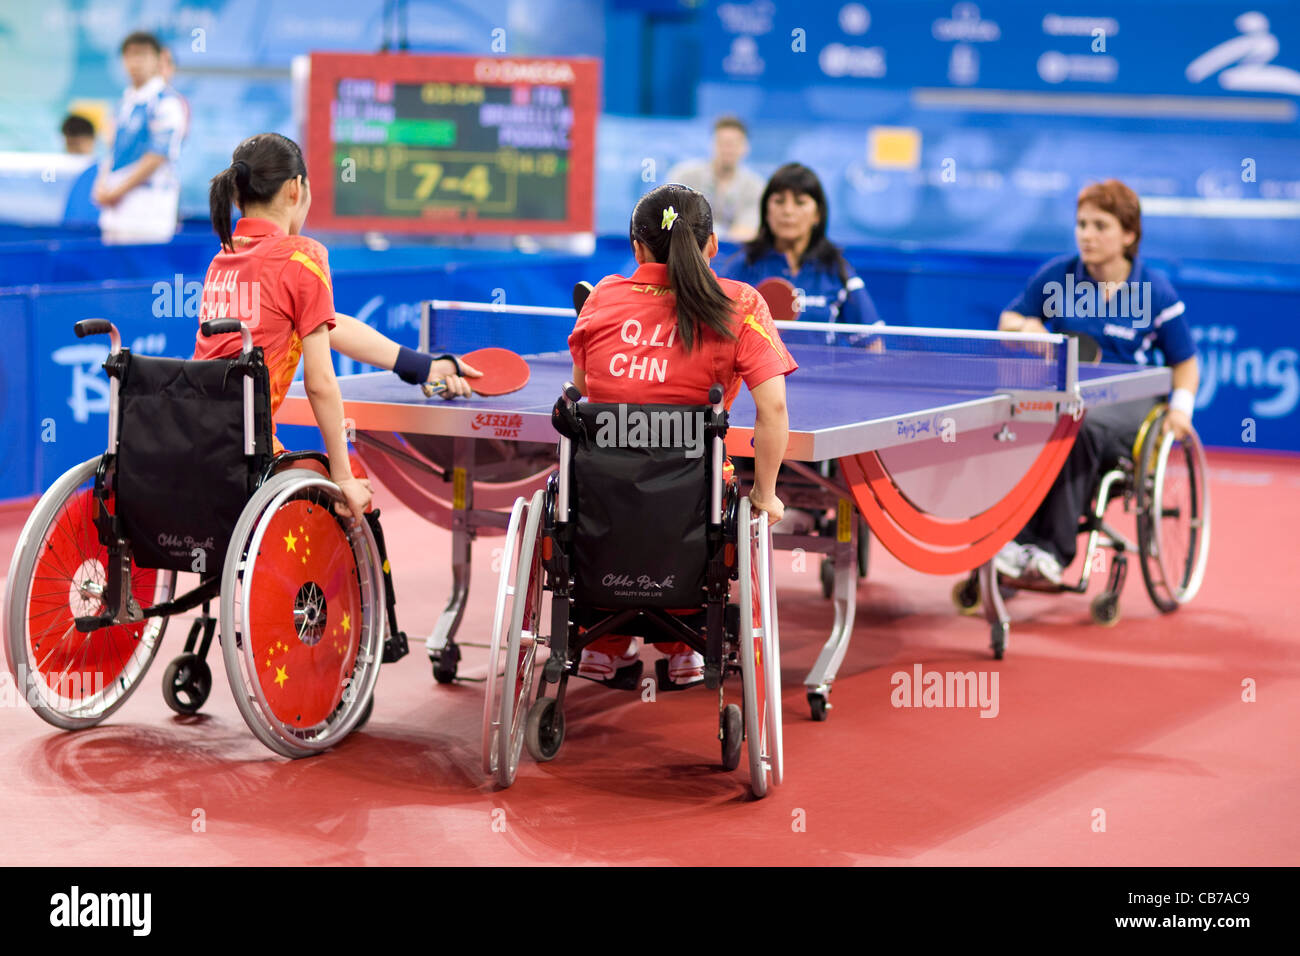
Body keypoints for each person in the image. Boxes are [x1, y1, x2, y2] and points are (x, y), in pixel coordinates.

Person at [569, 183, 796, 684]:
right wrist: (766, 495)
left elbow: (583, 389)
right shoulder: (740, 304)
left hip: (601, 498)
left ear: (637, 247)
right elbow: (774, 407)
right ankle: (684, 645)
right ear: (711, 245)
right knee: (705, 495)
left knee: (602, 487)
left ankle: (602, 641)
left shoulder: (602, 297)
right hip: (694, 499)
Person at [194, 132, 480, 518]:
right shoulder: (302, 256)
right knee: (352, 489)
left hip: (194, 445)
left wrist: (425, 367)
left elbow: (330, 325)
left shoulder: (224, 258)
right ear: (296, 188)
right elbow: (320, 382)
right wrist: (343, 476)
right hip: (245, 455)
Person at [995, 178, 1200, 584]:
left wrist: (1181, 410)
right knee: (1022, 422)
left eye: (1100, 226)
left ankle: (1052, 551)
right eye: (1082, 224)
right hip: (1067, 392)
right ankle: (1013, 543)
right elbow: (1008, 320)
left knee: (1081, 425)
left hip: (1132, 401)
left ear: (1128, 234)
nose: (1087, 235)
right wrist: (1028, 326)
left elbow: (1186, 361)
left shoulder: (1153, 290)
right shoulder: (1059, 276)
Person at [719, 162, 880, 333]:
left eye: (800, 202)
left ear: (817, 214)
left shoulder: (837, 270)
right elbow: (716, 329)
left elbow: (872, 343)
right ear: (766, 212)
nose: (788, 211)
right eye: (779, 201)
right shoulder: (742, 266)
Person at [93, 31, 186, 244]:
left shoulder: (167, 102)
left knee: (142, 276)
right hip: (115, 211)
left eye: (142, 55)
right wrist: (101, 186)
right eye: (129, 55)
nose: (135, 62)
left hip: (147, 210)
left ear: (158, 59)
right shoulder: (124, 103)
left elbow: (157, 157)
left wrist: (116, 191)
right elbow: (111, 150)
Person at [667, 116, 765, 242]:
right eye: (722, 143)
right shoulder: (685, 176)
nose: (728, 149)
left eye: (735, 143)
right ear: (712, 144)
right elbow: (675, 223)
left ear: (746, 147)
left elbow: (747, 231)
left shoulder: (755, 187)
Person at [61, 115, 100, 229]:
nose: (74, 150)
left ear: (92, 140)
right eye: (71, 144)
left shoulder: (101, 172)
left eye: (78, 144)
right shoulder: (59, 173)